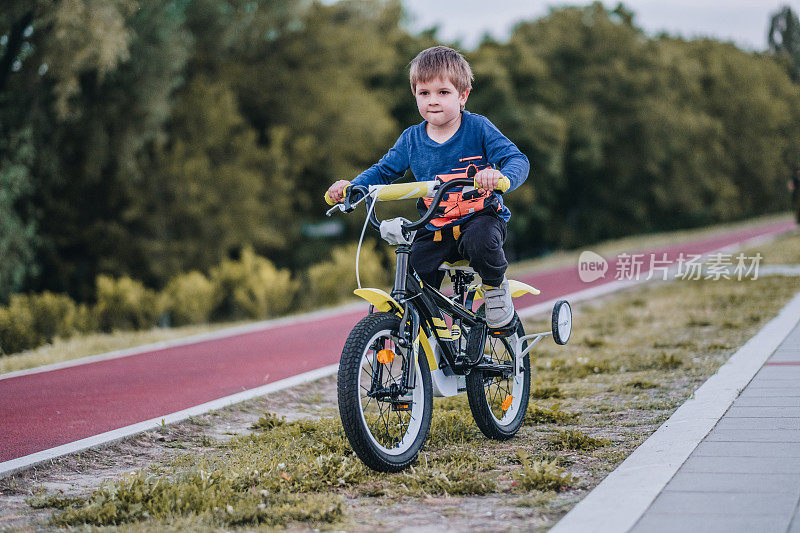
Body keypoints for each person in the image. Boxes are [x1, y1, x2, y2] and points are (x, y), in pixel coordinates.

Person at [326, 46, 529, 330]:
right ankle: (426, 333)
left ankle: (495, 288)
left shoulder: (478, 128)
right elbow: (383, 170)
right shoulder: (411, 139)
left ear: (463, 96)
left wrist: (500, 175)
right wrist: (353, 187)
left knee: (481, 240)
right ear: (415, 95)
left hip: (479, 218)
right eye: (424, 93)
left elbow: (517, 159)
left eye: (443, 92)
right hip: (434, 226)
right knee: (412, 272)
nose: (433, 101)